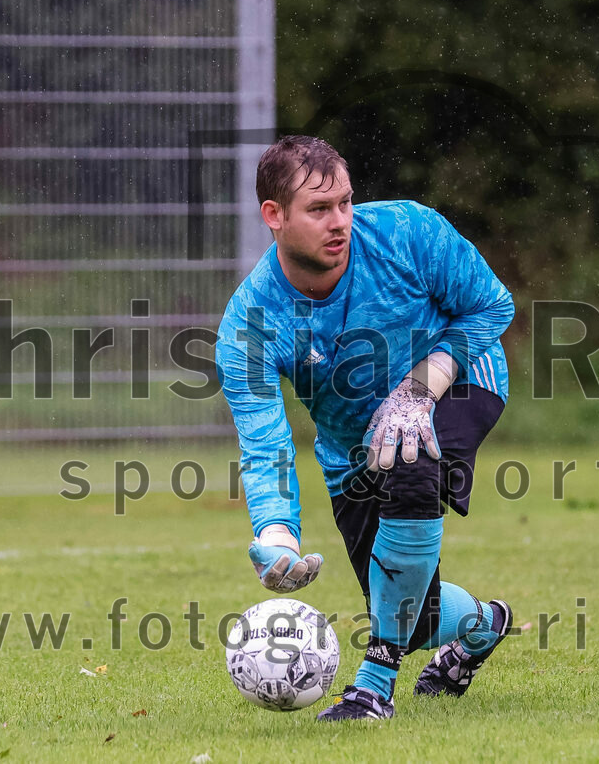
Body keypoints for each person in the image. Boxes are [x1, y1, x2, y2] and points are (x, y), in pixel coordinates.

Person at [215, 135, 515, 721]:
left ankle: (373, 687)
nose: (340, 222)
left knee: (412, 458)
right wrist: (277, 536)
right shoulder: (250, 324)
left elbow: (492, 305)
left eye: (345, 203)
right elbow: (264, 441)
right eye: (318, 209)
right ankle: (484, 625)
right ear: (274, 215)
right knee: (416, 617)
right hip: (351, 449)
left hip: (460, 377)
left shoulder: (408, 231)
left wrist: (418, 389)